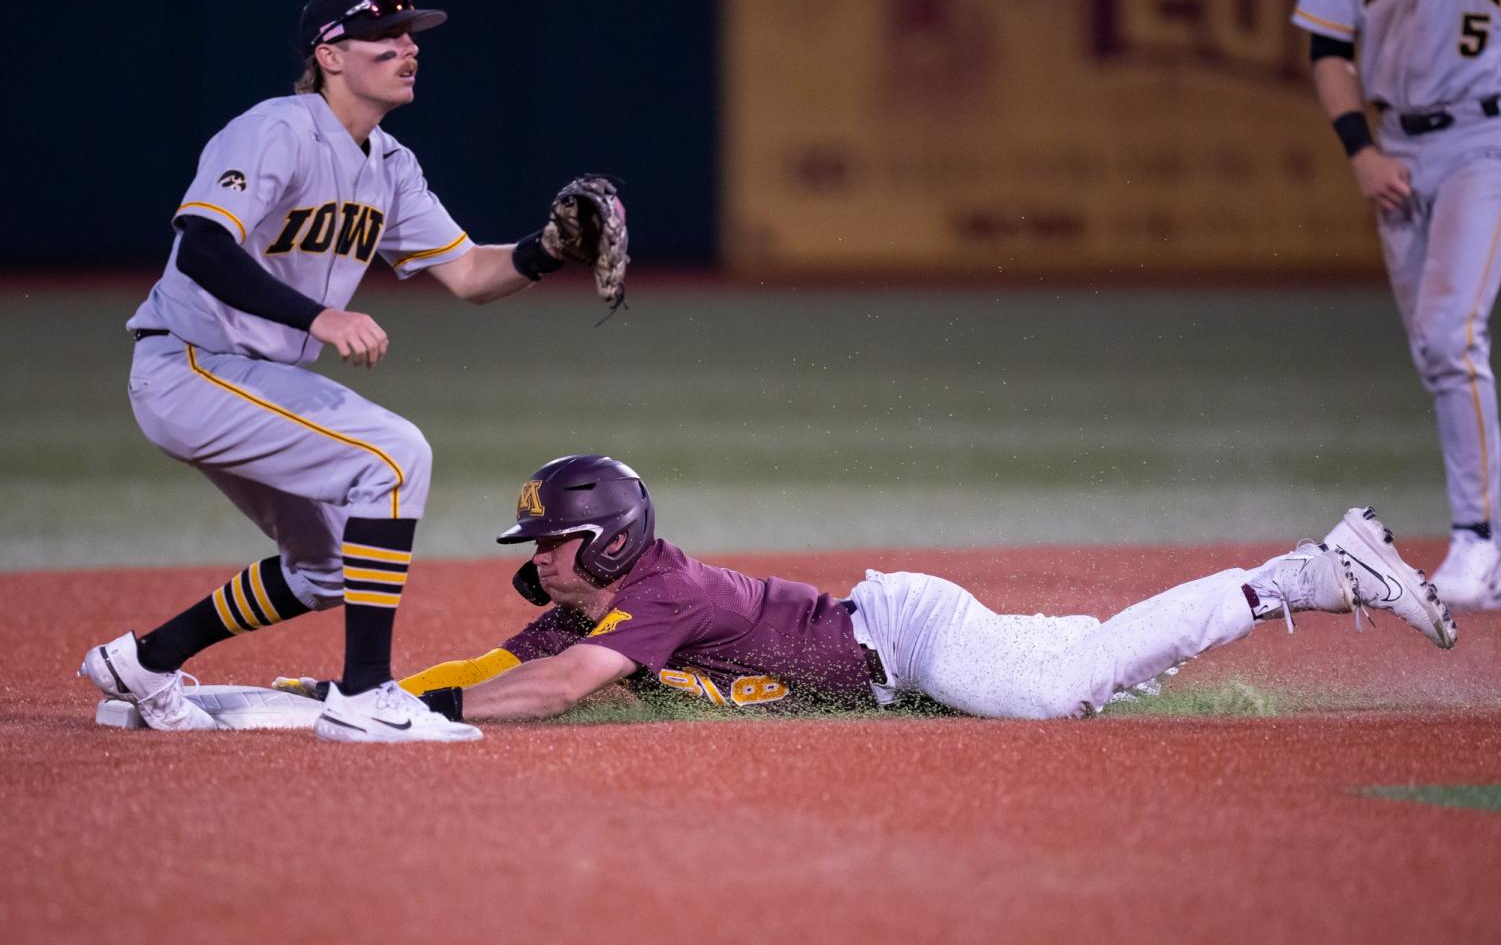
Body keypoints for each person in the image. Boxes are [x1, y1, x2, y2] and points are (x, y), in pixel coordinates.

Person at [77, 0, 615, 743]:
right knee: (394, 458)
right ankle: (364, 697)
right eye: (385, 38)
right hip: (190, 365)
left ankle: (145, 662)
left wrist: (547, 251)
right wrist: (319, 315)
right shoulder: (277, 130)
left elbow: (466, 274)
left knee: (327, 568)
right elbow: (202, 246)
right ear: (330, 55)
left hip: (251, 377)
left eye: (412, 35)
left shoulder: (390, 164)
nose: (408, 49)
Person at [347, 454, 1457, 724]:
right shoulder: (599, 598)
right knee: (1089, 671)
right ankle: (1289, 578)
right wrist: (350, 690)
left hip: (904, 641)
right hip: (892, 642)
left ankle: (1297, 574)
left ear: (609, 540)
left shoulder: (657, 596)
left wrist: (409, 714)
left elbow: (554, 689)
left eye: (552, 540)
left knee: (1052, 697)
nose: (536, 555)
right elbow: (497, 668)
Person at [1293, 0, 1501, 612]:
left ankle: (1481, 540)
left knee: (1449, 337)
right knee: (1433, 349)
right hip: (1397, 150)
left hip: (1485, 138)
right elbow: (1326, 45)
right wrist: (1361, 150)